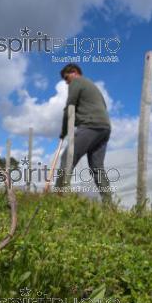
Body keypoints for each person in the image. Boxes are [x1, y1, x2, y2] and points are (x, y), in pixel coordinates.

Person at [55, 63, 113, 203]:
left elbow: (70, 106)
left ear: (74, 72)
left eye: (66, 78)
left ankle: (58, 198)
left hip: (90, 125)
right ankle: (108, 203)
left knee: (67, 158)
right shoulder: (92, 86)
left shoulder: (77, 82)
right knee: (97, 167)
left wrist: (63, 132)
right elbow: (99, 107)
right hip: (104, 128)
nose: (67, 82)